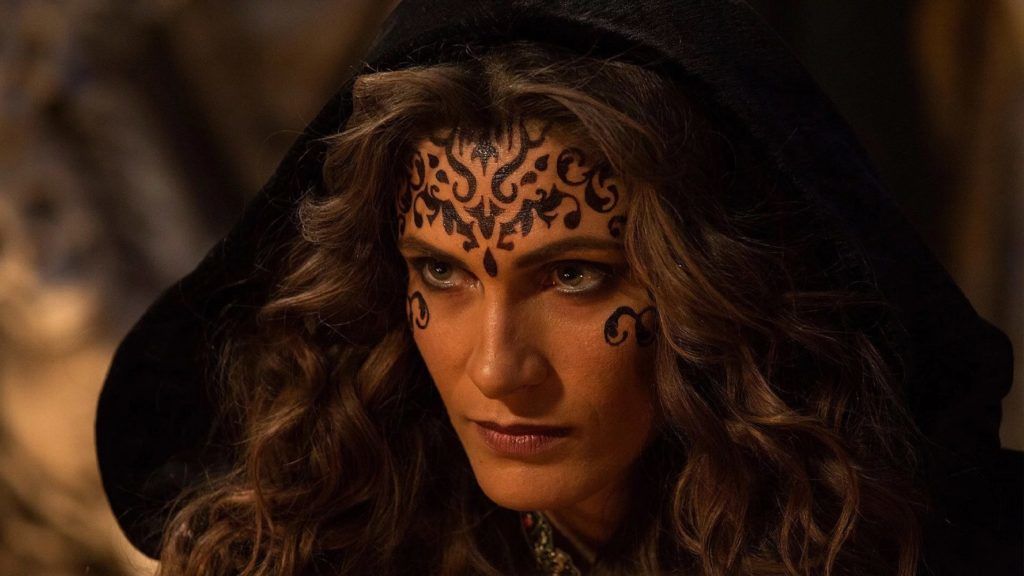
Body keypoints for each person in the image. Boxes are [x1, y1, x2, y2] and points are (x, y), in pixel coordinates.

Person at [95, 1, 1020, 575]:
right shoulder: (319, 546)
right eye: (442, 272)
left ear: (710, 286)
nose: (498, 369)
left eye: (573, 276)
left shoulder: (915, 550)